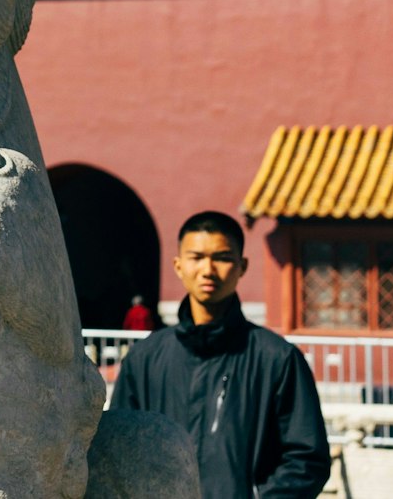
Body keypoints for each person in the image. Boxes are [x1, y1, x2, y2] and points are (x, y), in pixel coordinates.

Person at [111, 212, 330, 499]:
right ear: (178, 265)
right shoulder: (145, 359)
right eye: (197, 257)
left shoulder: (278, 359)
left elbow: (307, 458)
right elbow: (119, 449)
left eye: (223, 257)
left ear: (242, 266)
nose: (208, 269)